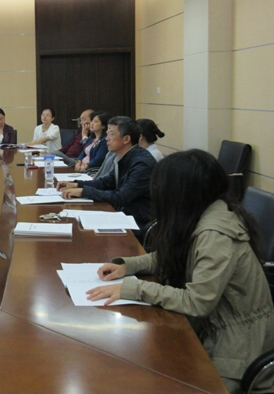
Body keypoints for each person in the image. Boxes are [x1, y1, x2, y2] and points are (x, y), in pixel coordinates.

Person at [87, 150, 274, 394]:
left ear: (180, 193)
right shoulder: (205, 212)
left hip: (237, 349)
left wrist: (134, 288)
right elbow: (174, 255)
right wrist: (128, 266)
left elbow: (197, 302)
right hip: (213, 331)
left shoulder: (215, 235)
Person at [57, 116, 156, 229]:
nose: (107, 139)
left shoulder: (142, 163)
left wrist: (83, 191)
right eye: (107, 134)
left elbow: (122, 197)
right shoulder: (123, 156)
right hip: (123, 215)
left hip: (137, 222)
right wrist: (76, 184)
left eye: (111, 134)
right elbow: (105, 183)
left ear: (126, 139)